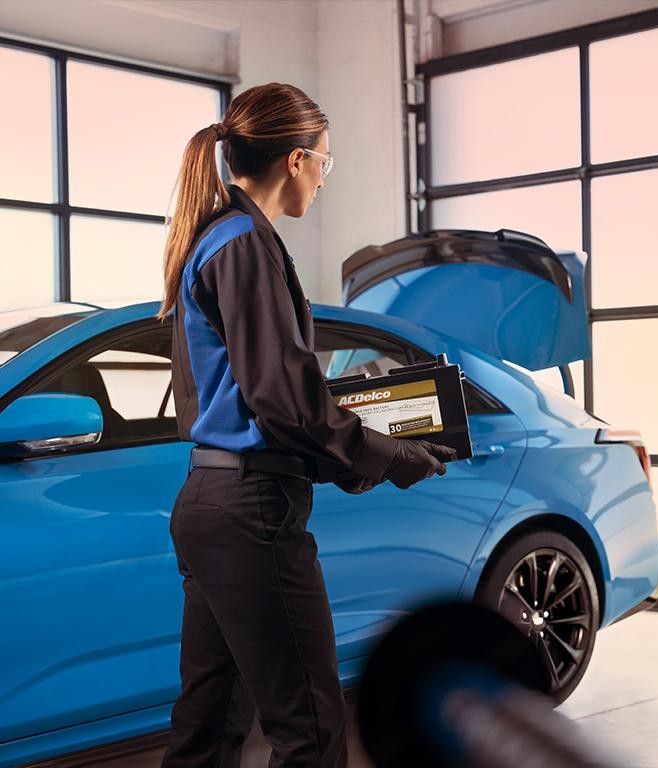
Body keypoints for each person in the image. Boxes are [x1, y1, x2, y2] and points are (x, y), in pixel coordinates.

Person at [157, 82, 456, 768]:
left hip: (215, 501)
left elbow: (264, 399)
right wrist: (388, 456)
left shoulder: (217, 238)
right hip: (250, 515)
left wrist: (352, 459)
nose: (324, 178)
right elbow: (283, 399)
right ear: (296, 160)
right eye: (325, 161)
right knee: (310, 732)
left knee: (207, 726)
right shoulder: (244, 245)